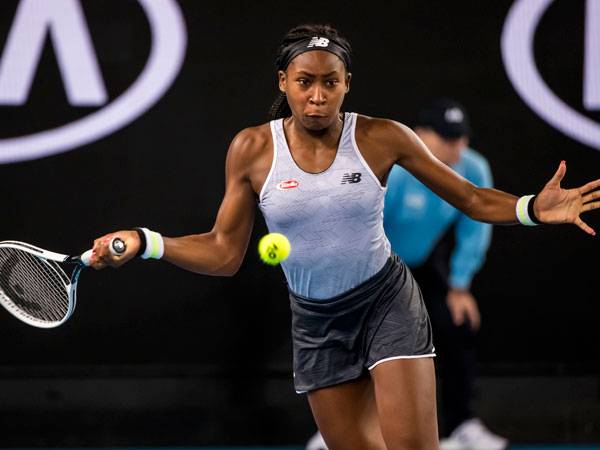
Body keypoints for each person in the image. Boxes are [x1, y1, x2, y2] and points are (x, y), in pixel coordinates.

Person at [89, 24, 600, 450]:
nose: (317, 96)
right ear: (284, 81)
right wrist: (146, 241)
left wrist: (532, 209)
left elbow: (469, 198)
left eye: (330, 82)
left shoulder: (382, 137)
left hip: (387, 303)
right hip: (316, 321)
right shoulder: (251, 149)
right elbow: (223, 252)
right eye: (305, 82)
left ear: (347, 83)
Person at [384, 99, 506, 450]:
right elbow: (365, 228)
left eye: (462, 138)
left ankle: (461, 424)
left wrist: (459, 285)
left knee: (457, 321)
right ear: (419, 135)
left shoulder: (473, 167)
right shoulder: (395, 172)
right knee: (362, 335)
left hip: (422, 264)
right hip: (375, 266)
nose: (458, 148)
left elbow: (475, 229)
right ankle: (339, 430)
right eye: (448, 138)